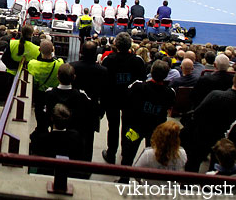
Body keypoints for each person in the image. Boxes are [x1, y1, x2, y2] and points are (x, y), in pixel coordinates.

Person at [184, 70, 236, 172]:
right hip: (225, 141)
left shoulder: (215, 94)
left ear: (233, 80)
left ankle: (187, 184)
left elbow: (198, 112)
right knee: (217, 168)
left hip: (204, 134)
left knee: (193, 162)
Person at [101, 33, 147, 164]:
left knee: (113, 127)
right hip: (130, 101)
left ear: (116, 45)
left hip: (113, 99)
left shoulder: (108, 60)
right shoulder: (138, 61)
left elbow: (104, 82)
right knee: (128, 128)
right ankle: (125, 154)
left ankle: (111, 154)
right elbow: (142, 82)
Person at [120, 60, 175, 168]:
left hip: (135, 127)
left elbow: (126, 101)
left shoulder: (138, 86)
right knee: (152, 155)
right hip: (154, 129)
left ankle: (124, 178)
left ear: (151, 71)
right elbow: (168, 107)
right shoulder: (170, 92)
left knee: (128, 153)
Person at [43, 64, 98, 165]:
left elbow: (44, 115)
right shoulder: (81, 95)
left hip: (54, 135)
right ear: (74, 77)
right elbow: (87, 115)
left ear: (57, 77)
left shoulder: (49, 94)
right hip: (74, 137)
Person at [71, 40, 108, 160]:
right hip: (92, 110)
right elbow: (103, 93)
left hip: (74, 107)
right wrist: (101, 111)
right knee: (89, 139)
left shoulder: (73, 66)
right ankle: (85, 165)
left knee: (72, 134)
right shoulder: (103, 71)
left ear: (81, 52)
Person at [29, 40, 64, 133]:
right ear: (53, 49)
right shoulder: (59, 63)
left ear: (39, 49)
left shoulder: (32, 64)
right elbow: (58, 59)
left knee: (41, 124)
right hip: (54, 96)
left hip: (39, 97)